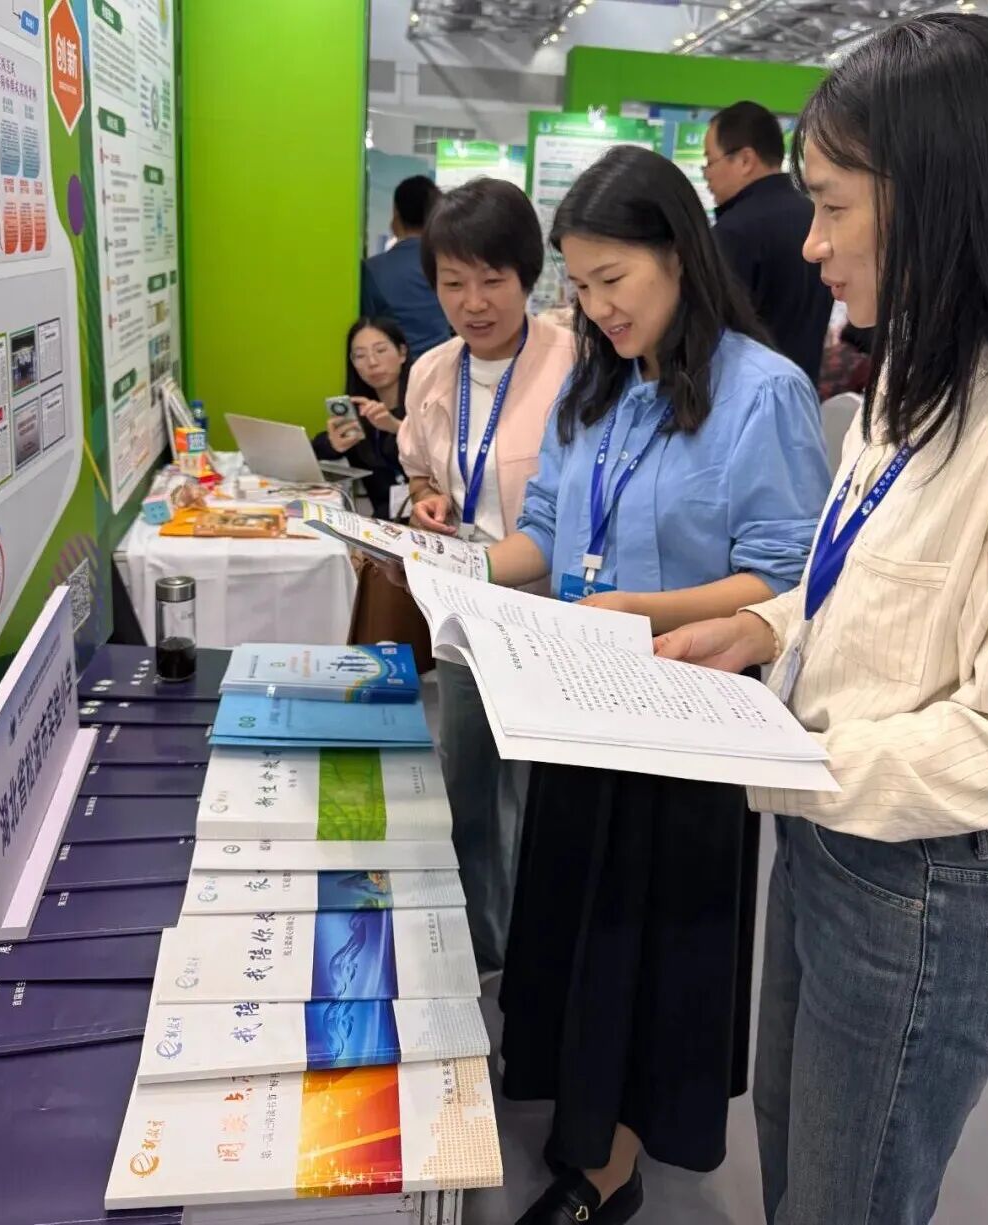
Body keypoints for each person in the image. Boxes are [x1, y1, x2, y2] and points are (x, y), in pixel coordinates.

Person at [657, 15, 988, 1224]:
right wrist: (772, 630)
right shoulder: (913, 374)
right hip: (829, 830)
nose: (809, 244)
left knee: (846, 1199)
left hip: (927, 885)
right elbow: (865, 573)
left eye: (832, 206)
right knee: (795, 1162)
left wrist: (777, 759)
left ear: (942, 198)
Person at [484, 145, 830, 1225]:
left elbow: (786, 575)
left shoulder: (762, 392)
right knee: (575, 927)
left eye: (614, 280)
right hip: (576, 709)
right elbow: (547, 530)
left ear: (679, 254)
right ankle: (579, 1121)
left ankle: (608, 1167)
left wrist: (639, 611)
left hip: (684, 726)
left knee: (642, 955)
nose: (597, 308)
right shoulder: (598, 384)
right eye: (581, 286)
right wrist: (447, 570)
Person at [397, 177, 574, 971]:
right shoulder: (433, 372)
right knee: (467, 788)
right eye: (453, 282)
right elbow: (420, 467)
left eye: (492, 280)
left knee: (544, 800)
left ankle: (544, 964)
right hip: (467, 616)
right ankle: (481, 954)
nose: (473, 303)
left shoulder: (577, 363)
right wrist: (426, 498)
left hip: (554, 618)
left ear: (527, 276)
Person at [704, 101, 832, 385]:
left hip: (744, 396)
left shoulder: (734, 231)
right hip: (803, 389)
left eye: (710, 161)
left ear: (745, 160)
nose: (707, 174)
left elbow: (713, 334)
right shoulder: (815, 215)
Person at [313, 317, 411, 519]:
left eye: (381, 350)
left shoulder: (429, 403)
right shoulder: (362, 412)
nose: (372, 362)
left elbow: (439, 456)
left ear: (402, 353)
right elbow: (313, 451)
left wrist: (396, 427)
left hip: (427, 522)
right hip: (380, 526)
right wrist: (333, 445)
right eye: (360, 355)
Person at [361, 176, 451, 362]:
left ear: (396, 213)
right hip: (445, 365)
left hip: (396, 371)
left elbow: (365, 328)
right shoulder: (450, 265)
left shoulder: (372, 270)